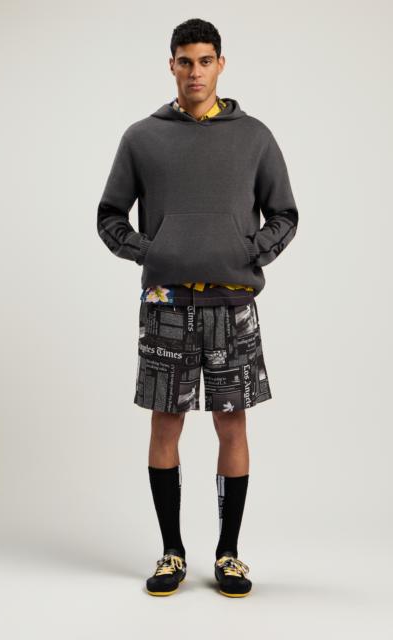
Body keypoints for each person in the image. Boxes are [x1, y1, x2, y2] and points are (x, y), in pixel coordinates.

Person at [96, 18, 298, 598]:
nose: (195, 72)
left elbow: (285, 214)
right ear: (171, 66)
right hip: (166, 305)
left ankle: (229, 554)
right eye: (185, 61)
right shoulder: (142, 137)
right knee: (166, 422)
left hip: (232, 304)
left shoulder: (254, 136)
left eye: (205, 60)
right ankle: (172, 552)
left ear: (220, 64)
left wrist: (249, 250)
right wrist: (151, 252)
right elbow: (109, 216)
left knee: (232, 423)